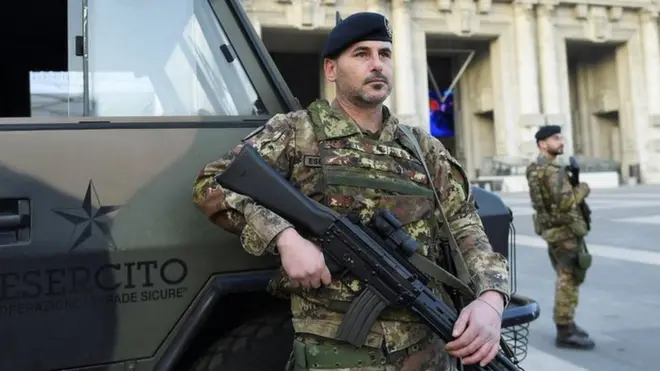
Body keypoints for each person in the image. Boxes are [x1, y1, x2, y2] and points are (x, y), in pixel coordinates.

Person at [193, 11, 510, 371]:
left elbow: (465, 223)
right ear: (331, 70)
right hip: (338, 354)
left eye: (384, 54)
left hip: (428, 351)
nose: (376, 64)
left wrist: (491, 298)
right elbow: (213, 183)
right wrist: (283, 237)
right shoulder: (297, 132)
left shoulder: (423, 148)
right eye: (361, 54)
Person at [525, 125, 595, 350]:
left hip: (552, 230)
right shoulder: (553, 171)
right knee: (568, 279)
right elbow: (565, 203)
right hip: (565, 232)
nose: (561, 141)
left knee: (566, 276)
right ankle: (564, 330)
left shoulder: (535, 168)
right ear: (543, 144)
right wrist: (583, 188)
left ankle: (569, 323)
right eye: (556, 138)